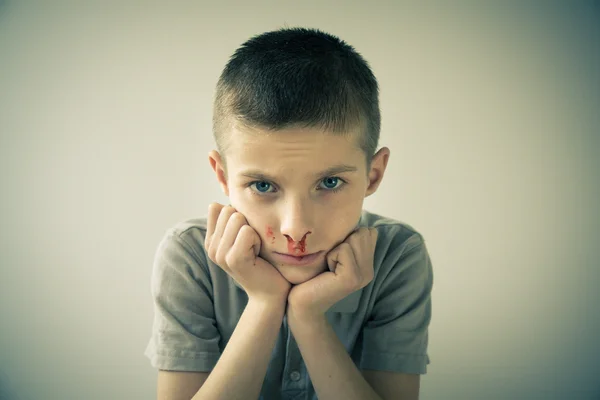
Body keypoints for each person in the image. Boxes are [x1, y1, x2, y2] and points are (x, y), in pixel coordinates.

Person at [144, 27, 433, 400]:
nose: (295, 228)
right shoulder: (189, 258)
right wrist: (264, 303)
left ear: (373, 175)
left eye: (329, 183)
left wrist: (308, 317)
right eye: (263, 186)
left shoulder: (397, 257)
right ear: (223, 177)